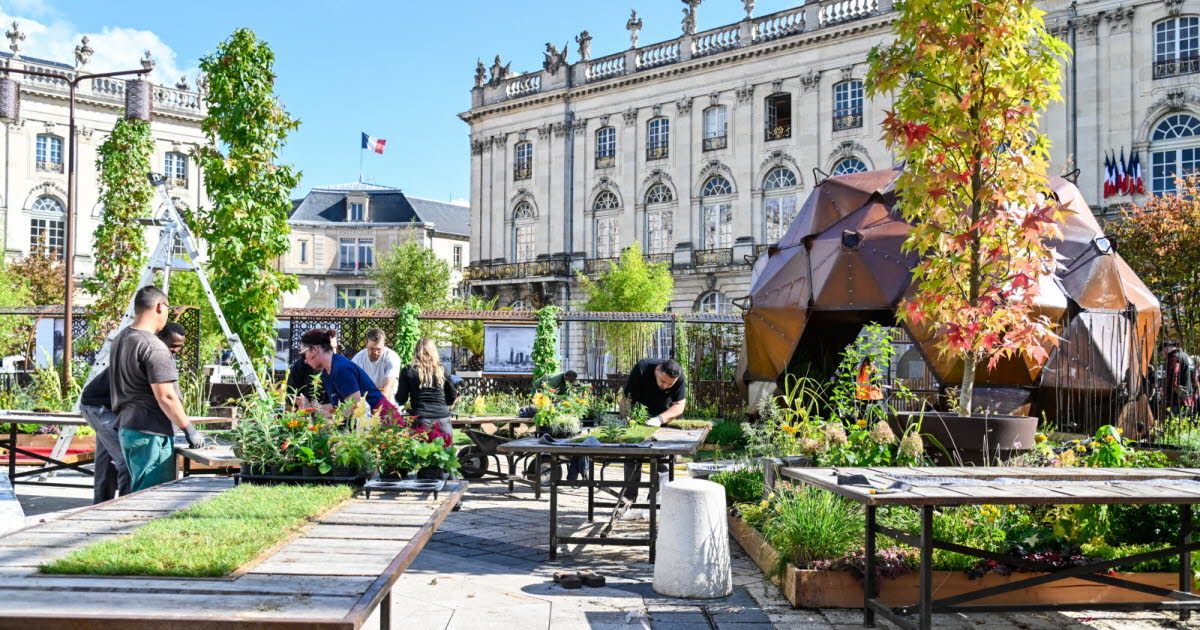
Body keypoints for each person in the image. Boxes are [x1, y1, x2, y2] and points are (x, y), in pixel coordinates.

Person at [112, 286, 212, 492]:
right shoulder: (153, 346)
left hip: (128, 428)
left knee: (138, 492)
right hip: (150, 432)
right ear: (159, 307)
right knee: (151, 498)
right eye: (168, 307)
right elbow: (166, 396)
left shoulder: (121, 338)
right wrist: (190, 430)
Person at [80, 322, 187, 504]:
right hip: (97, 407)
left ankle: (101, 506)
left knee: (107, 460)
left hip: (113, 408)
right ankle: (125, 507)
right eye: (172, 345)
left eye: (179, 347)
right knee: (127, 460)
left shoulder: (151, 353)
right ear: (160, 339)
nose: (175, 350)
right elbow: (166, 396)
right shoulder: (151, 353)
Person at [619, 358, 687, 516]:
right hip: (640, 416)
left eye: (670, 384)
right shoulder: (642, 368)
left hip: (665, 416)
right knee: (632, 456)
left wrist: (660, 419)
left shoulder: (679, 375)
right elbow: (626, 400)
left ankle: (655, 503)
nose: (665, 386)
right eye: (663, 381)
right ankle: (628, 500)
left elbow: (679, 406)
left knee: (661, 461)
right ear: (657, 370)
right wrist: (628, 421)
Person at [299, 328, 384, 413]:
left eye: (304, 355)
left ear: (314, 349)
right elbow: (338, 406)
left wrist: (331, 422)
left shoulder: (341, 368)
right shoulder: (327, 372)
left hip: (385, 420)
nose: (305, 360)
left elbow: (354, 408)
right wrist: (311, 407)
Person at [395, 338, 457, 438]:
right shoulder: (442, 370)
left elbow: (402, 398)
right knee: (446, 452)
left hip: (421, 418)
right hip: (442, 418)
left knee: (421, 452)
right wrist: (446, 403)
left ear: (416, 352)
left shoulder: (409, 371)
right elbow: (452, 395)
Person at [352, 328, 402, 403]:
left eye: (379, 349)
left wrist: (379, 407)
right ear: (366, 343)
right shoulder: (357, 359)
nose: (375, 352)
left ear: (384, 343)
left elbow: (389, 385)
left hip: (387, 399)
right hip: (364, 400)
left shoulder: (392, 357)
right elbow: (353, 385)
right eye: (372, 349)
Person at [1161, 341, 1197, 416]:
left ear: (1166, 349)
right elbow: (1195, 380)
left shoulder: (1174, 357)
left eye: (1162, 353)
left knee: (1172, 423)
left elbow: (1173, 374)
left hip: (1177, 400)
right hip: (1189, 399)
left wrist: (1174, 386)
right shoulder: (1188, 357)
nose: (1163, 356)